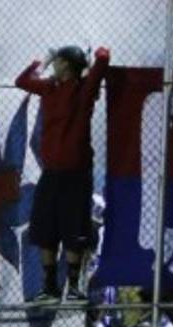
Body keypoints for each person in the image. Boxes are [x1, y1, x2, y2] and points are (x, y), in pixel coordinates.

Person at [15, 44, 111, 302]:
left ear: (67, 64)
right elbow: (22, 81)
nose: (53, 64)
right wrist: (42, 63)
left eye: (57, 60)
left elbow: (104, 55)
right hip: (52, 171)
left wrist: (89, 63)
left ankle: (73, 287)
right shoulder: (50, 88)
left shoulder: (84, 89)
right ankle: (49, 287)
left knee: (74, 230)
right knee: (46, 228)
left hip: (77, 173)